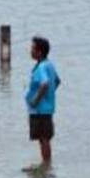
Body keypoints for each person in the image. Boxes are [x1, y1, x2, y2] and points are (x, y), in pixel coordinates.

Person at [26, 36, 60, 166]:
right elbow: (56, 81)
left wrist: (36, 100)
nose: (30, 51)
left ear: (39, 52)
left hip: (40, 110)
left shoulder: (41, 67)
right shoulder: (49, 64)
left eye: (33, 49)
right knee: (44, 138)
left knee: (43, 139)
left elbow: (45, 84)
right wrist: (49, 96)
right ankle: (47, 164)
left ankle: (46, 164)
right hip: (47, 108)